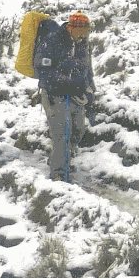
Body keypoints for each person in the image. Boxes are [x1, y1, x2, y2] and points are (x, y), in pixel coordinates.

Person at [34, 10, 95, 182]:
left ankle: (60, 158)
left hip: (75, 93)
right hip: (54, 94)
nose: (85, 34)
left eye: (87, 31)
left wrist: (90, 90)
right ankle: (59, 175)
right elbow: (43, 70)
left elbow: (87, 69)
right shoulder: (52, 41)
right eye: (82, 31)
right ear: (72, 28)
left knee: (78, 129)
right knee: (62, 133)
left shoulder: (82, 43)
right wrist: (64, 78)